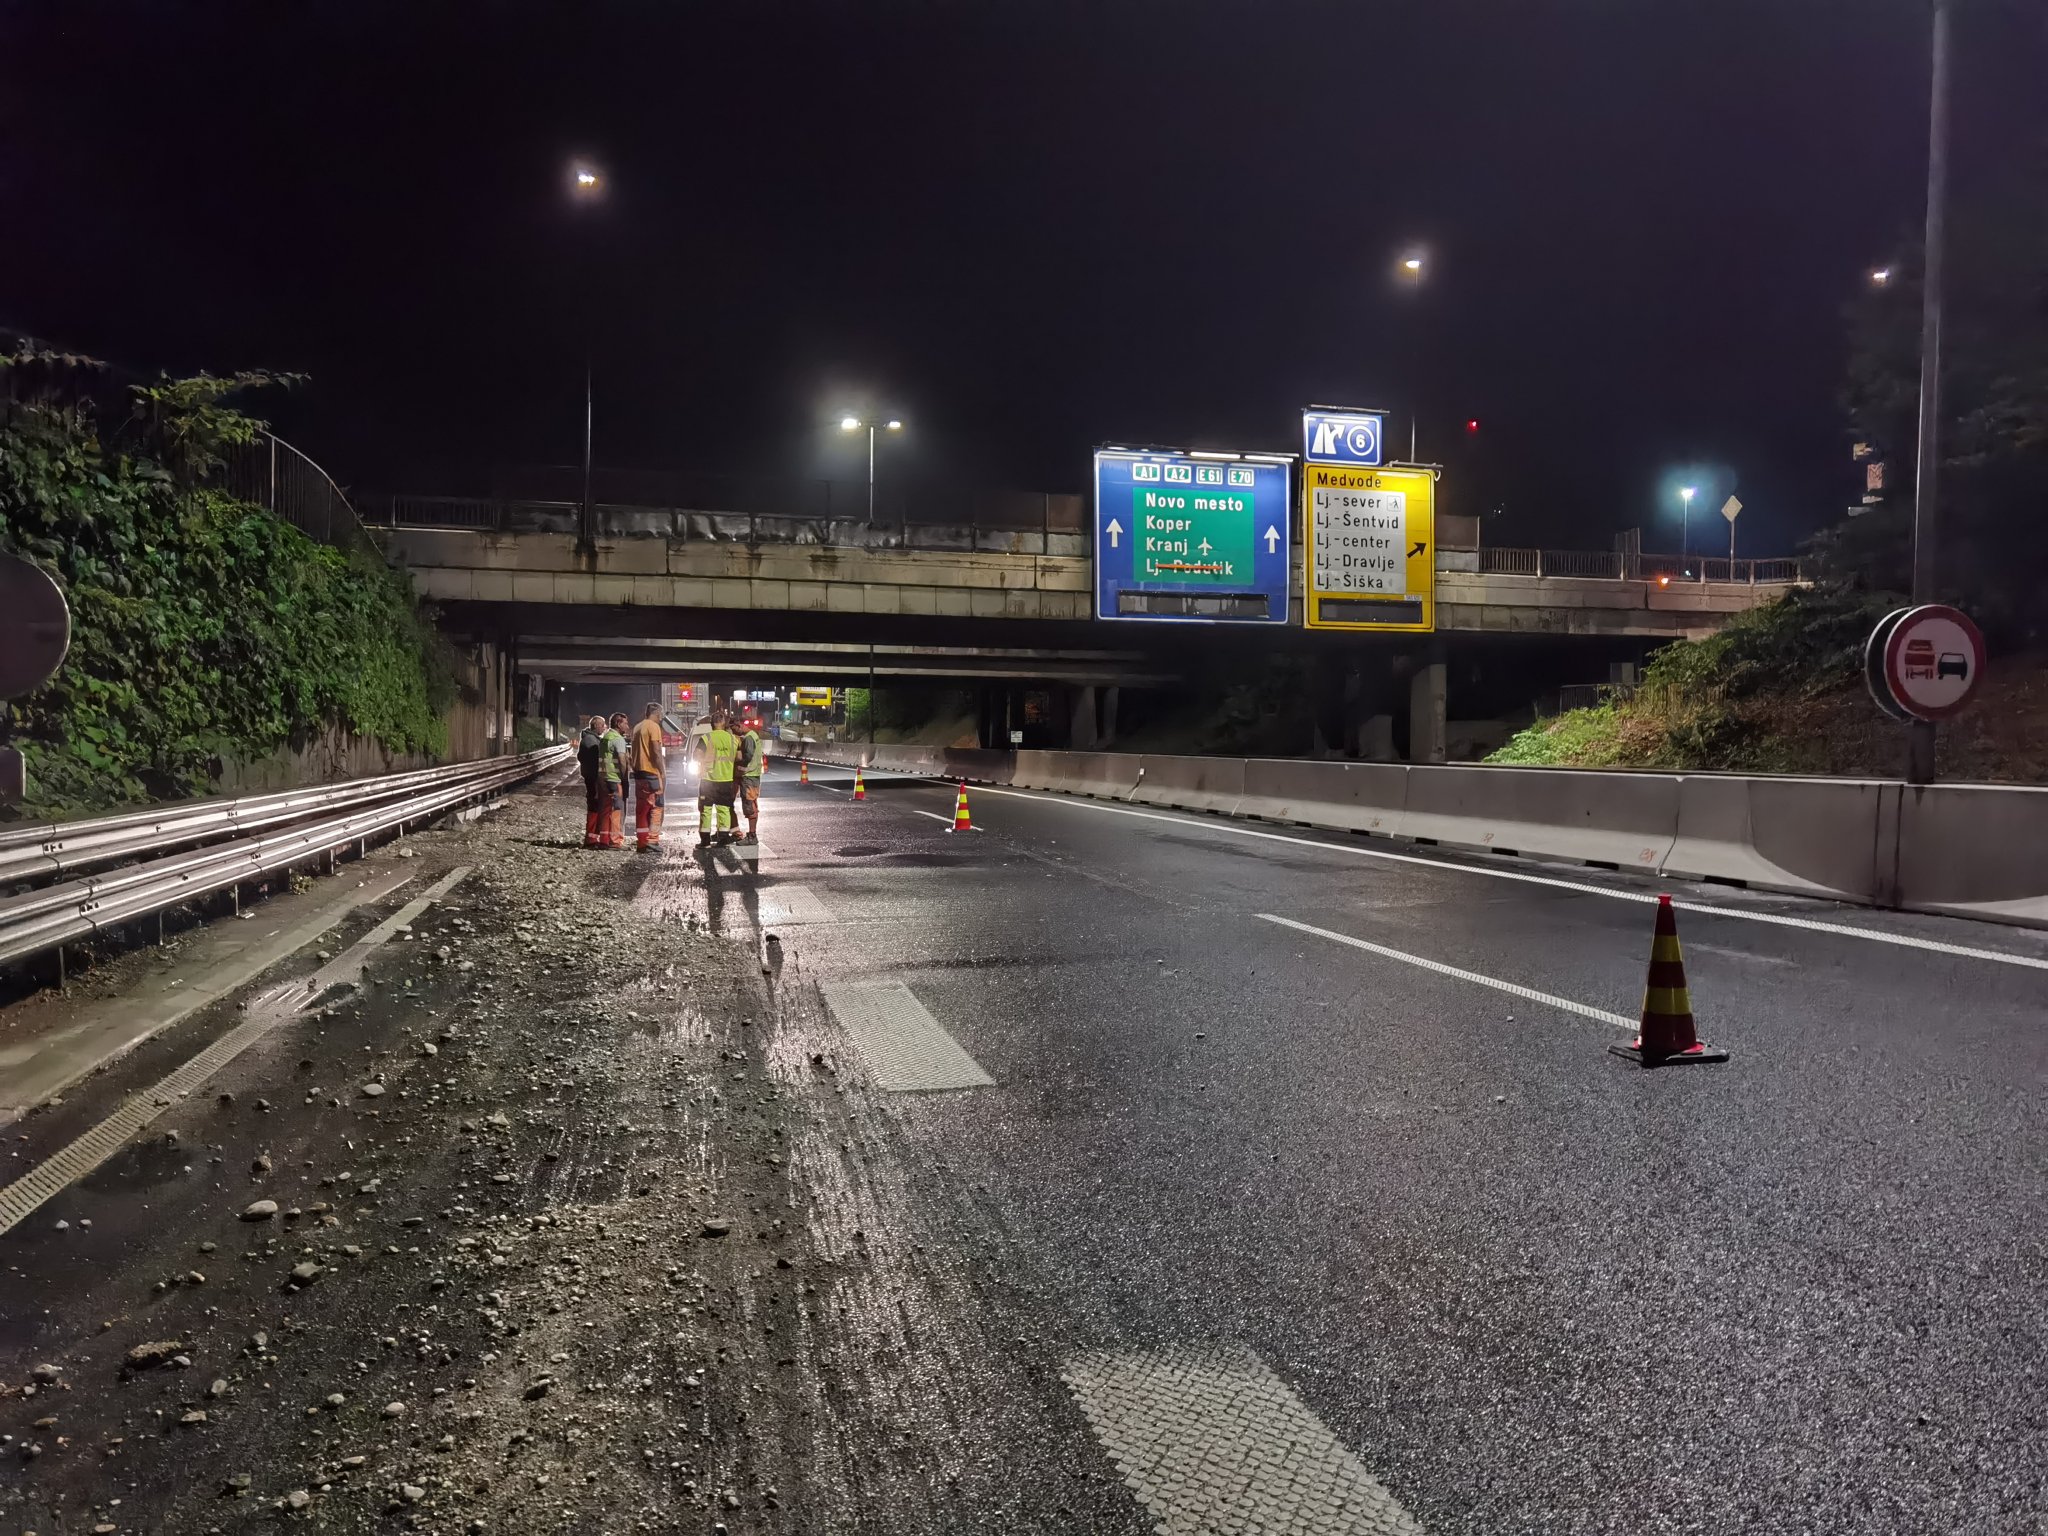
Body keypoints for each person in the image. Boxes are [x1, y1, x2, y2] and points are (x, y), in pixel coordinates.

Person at [695, 707, 740, 846]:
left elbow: (696, 755)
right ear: (724, 723)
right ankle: (723, 838)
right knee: (724, 809)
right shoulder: (733, 739)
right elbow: (739, 757)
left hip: (708, 780)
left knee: (706, 809)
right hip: (726, 779)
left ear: (712, 724)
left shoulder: (707, 737)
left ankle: (705, 840)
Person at [628, 701, 667, 850]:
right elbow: (656, 752)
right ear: (656, 714)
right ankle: (652, 840)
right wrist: (662, 771)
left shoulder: (637, 727)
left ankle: (642, 842)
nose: (660, 719)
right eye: (660, 716)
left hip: (639, 774)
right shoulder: (654, 727)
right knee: (657, 807)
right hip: (651, 773)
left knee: (642, 809)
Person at [598, 712, 631, 848]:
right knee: (617, 809)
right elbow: (622, 761)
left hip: (604, 778)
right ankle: (616, 841)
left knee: (606, 809)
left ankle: (604, 839)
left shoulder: (606, 737)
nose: (627, 726)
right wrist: (625, 779)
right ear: (618, 724)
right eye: (625, 723)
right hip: (615, 779)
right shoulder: (618, 739)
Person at [576, 714, 607, 848]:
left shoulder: (589, 739)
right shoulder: (591, 741)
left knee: (594, 805)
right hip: (593, 778)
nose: (604, 728)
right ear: (596, 726)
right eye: (602, 725)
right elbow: (594, 760)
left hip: (591, 776)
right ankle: (591, 840)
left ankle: (592, 838)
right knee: (594, 806)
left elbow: (580, 756)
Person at [737, 714, 765, 842]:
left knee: (749, 804)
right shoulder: (754, 735)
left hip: (749, 775)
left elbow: (748, 756)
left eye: (737, 727)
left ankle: (752, 835)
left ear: (742, 725)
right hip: (754, 775)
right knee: (752, 802)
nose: (736, 730)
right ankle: (752, 834)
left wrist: (739, 764)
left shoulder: (748, 738)